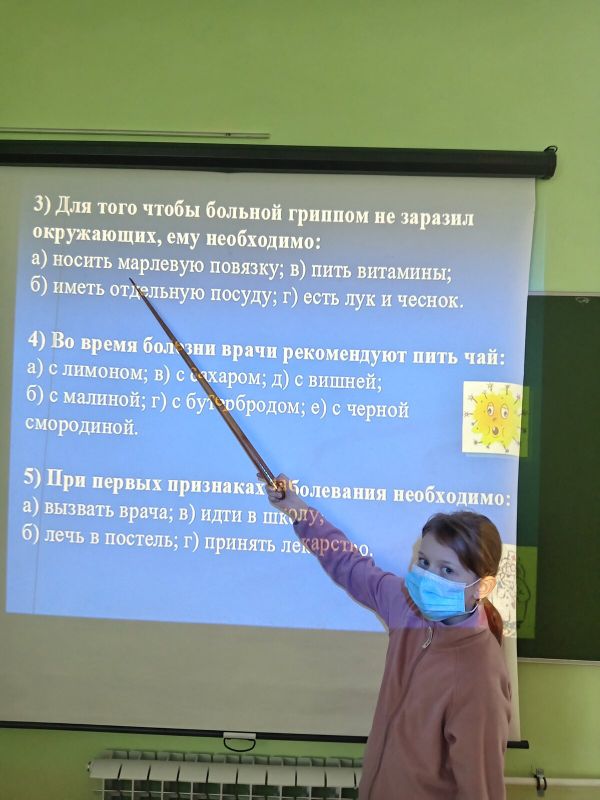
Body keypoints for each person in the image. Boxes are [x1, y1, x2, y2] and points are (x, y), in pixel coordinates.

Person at [265, 475, 511, 800]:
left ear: (483, 587)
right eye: (423, 562)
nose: (428, 577)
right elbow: (349, 564)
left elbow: (481, 789)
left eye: (447, 570)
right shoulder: (406, 605)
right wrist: (296, 509)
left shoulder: (480, 673)